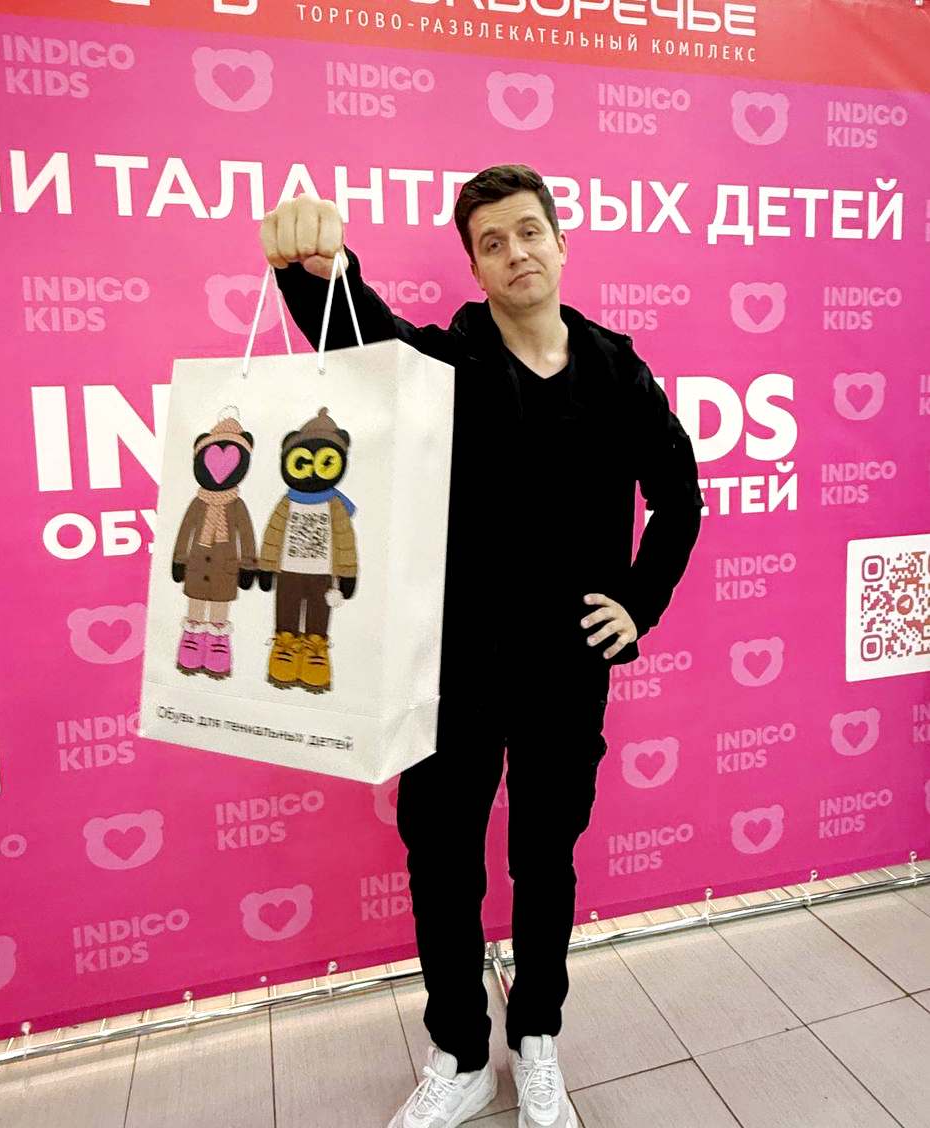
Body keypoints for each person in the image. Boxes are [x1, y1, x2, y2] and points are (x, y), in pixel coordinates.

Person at [260, 164, 703, 1128]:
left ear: (560, 242)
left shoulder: (617, 371)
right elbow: (361, 335)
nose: (515, 254)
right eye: (492, 243)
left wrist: (638, 603)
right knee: (442, 861)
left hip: (565, 671)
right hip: (450, 669)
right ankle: (460, 1054)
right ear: (474, 266)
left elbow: (679, 499)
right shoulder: (446, 362)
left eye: (528, 232)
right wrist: (314, 269)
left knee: (546, 858)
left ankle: (536, 1036)